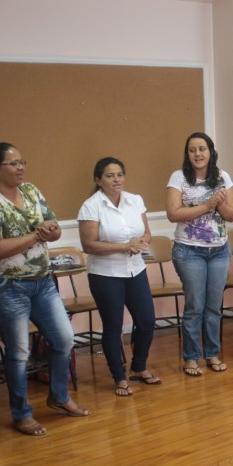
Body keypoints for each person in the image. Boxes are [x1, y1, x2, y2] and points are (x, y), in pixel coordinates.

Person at [0, 142, 90, 437]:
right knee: (19, 352)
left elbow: (54, 227)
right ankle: (21, 413)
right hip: (5, 286)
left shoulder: (31, 191)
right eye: (13, 163)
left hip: (42, 281)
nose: (21, 168)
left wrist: (51, 231)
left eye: (23, 161)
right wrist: (36, 235)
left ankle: (58, 396)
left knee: (64, 339)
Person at [78, 157, 159, 397]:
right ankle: (120, 378)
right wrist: (125, 246)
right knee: (113, 327)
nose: (116, 180)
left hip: (136, 269)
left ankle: (139, 367)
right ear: (98, 180)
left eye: (120, 174)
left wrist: (141, 243)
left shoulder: (135, 200)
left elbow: (147, 232)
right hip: (105, 274)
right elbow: (88, 245)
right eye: (110, 175)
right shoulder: (91, 206)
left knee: (146, 321)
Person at [165, 132, 233, 377]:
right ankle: (191, 357)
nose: (198, 154)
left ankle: (213, 354)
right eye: (192, 150)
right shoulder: (179, 178)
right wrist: (207, 205)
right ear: (187, 154)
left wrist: (219, 203)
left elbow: (231, 215)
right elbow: (174, 214)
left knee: (214, 307)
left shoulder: (223, 177)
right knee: (195, 306)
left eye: (202, 149)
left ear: (210, 151)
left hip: (219, 250)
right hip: (189, 250)